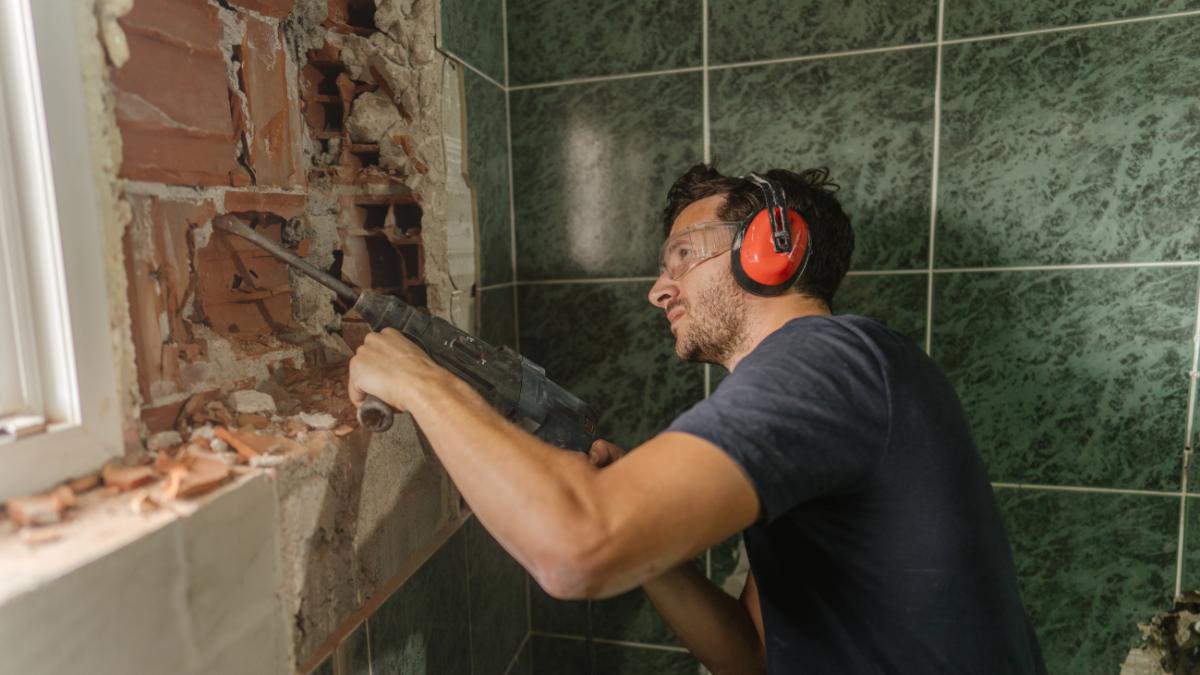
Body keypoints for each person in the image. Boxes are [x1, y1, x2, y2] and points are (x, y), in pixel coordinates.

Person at [347, 163, 1046, 674]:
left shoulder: (827, 358)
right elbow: (754, 657)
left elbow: (573, 549)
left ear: (772, 248)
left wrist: (424, 383)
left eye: (683, 255)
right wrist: (651, 551)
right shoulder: (830, 390)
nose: (659, 289)